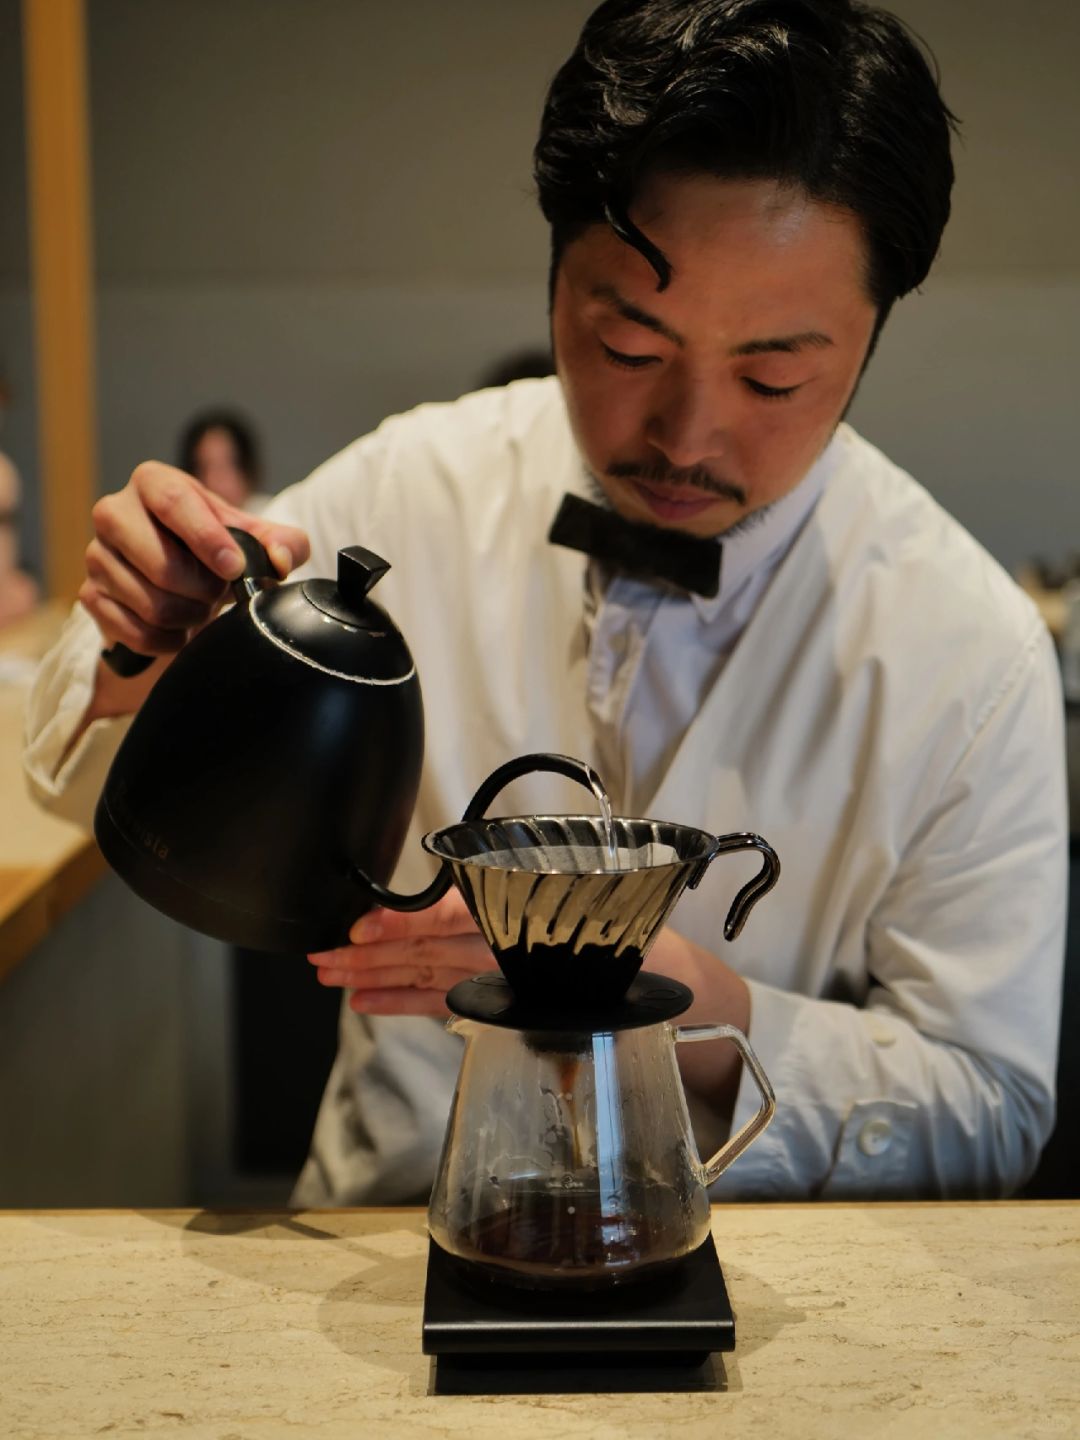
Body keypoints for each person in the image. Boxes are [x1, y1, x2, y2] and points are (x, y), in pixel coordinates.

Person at [24, 0, 1066, 1203]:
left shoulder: (970, 651)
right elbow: (80, 784)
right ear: (555, 277)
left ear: (874, 334)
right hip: (385, 1239)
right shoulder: (411, 487)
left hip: (776, 1294)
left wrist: (683, 996)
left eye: (773, 373)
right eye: (630, 350)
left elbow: (993, 1110)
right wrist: (148, 640)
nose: (687, 434)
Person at [176, 408, 269, 513]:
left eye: (228, 465)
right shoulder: (177, 522)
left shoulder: (275, 517)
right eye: (204, 468)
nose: (214, 479)